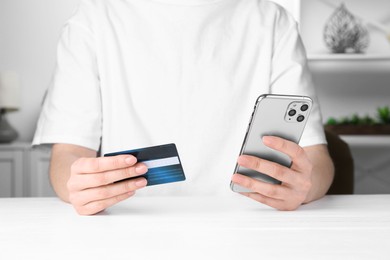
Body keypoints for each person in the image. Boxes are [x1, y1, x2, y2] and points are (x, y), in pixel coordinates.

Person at [33, 0, 334, 215]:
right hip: (128, 224)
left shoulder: (272, 20)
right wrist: (77, 185)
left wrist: (305, 186)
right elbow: (68, 156)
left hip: (252, 223)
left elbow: (316, 160)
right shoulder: (93, 19)